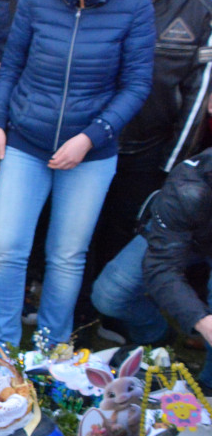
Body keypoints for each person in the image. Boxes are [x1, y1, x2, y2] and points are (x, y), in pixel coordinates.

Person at [0, 0, 155, 353]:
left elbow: (136, 85)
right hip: (26, 138)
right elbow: (11, 66)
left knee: (65, 255)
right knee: (6, 246)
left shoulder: (134, 4)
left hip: (91, 152)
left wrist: (90, 137)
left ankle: (51, 347)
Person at [92, 0, 212, 271]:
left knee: (124, 226)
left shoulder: (200, 4)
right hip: (94, 137)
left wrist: (172, 162)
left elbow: (199, 91)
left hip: (150, 146)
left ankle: (109, 314)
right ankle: (77, 307)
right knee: (82, 226)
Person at [91, 149, 212, 392]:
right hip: (184, 234)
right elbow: (161, 266)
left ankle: (208, 385)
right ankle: (156, 336)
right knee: (110, 294)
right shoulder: (189, 182)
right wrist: (202, 321)